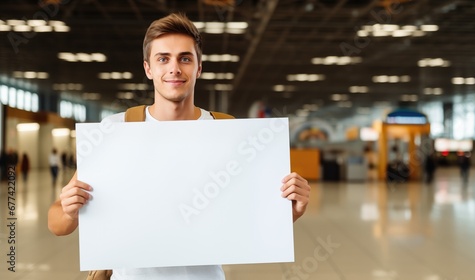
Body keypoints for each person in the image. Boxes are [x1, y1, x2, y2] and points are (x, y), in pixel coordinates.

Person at [47, 12, 311, 280]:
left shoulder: (226, 132)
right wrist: (70, 211)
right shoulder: (116, 130)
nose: (174, 68)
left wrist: (289, 213)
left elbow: (248, 225)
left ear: (198, 68)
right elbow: (56, 221)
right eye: (163, 59)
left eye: (185, 58)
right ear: (148, 68)